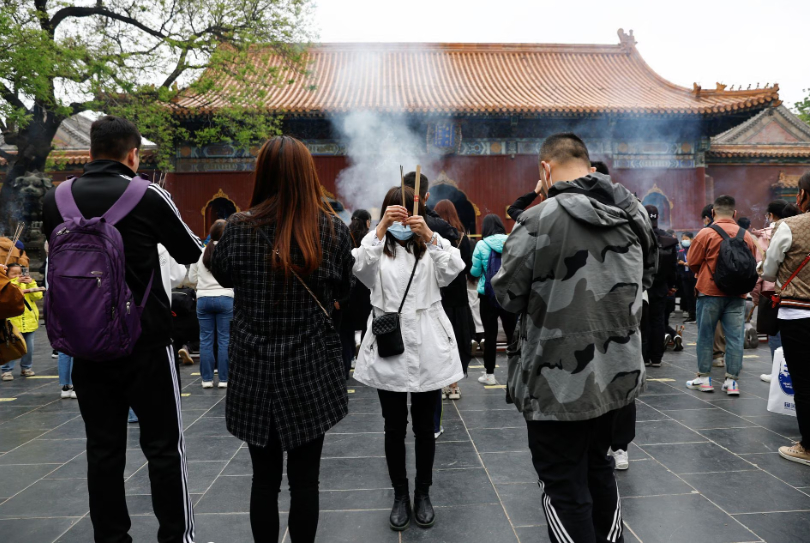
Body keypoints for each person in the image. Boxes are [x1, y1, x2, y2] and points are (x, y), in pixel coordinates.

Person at [41, 115, 203, 542]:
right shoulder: (149, 194)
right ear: (133, 154)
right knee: (164, 448)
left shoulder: (55, 199)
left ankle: (111, 538)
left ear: (91, 150)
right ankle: (174, 536)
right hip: (146, 342)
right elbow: (190, 250)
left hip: (86, 344)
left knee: (104, 449)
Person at [493, 132, 656, 542]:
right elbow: (647, 278)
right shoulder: (635, 213)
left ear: (545, 169)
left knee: (562, 483)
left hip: (557, 379)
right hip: (617, 373)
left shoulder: (539, 219)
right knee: (598, 465)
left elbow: (507, 295)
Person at [210, 136, 353, 543]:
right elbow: (343, 290)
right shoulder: (331, 230)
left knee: (264, 480)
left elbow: (222, 275)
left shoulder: (237, 228)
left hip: (253, 367)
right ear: (308, 174)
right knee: (306, 482)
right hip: (310, 371)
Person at [352, 186, 465, 532]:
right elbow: (357, 266)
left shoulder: (430, 247)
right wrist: (380, 229)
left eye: (404, 212)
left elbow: (454, 269)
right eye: (393, 211)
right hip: (391, 343)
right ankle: (400, 494)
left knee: (425, 427)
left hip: (428, 342)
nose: (401, 218)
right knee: (393, 425)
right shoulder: (377, 249)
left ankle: (423, 493)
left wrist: (429, 235)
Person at [686, 195, 757, 396]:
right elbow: (751, 263)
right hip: (738, 294)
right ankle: (732, 382)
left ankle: (704, 378)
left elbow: (692, 261)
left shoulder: (706, 233)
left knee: (705, 335)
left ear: (713, 213)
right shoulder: (746, 236)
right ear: (735, 214)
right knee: (735, 337)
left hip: (709, 292)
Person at [761, 172, 810, 466]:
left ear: (802, 195)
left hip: (798, 314)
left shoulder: (789, 226)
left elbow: (768, 271)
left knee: (804, 382)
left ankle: (808, 446)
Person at [433, 199, 474, 400]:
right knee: (458, 338)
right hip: (459, 295)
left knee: (440, 340)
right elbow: (467, 266)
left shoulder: (432, 237)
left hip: (438, 294)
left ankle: (441, 384)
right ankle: (454, 386)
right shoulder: (462, 237)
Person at [471, 214, 516, 386]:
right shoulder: (512, 240)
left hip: (488, 295)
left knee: (490, 336)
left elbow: (475, 273)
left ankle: (489, 375)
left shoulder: (481, 244)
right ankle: (515, 374)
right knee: (512, 334)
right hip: (510, 294)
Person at [189, 220, 233, 389]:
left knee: (205, 339)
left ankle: (206, 379)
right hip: (225, 298)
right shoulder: (229, 251)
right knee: (224, 340)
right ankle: (224, 379)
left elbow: (192, 279)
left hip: (203, 299)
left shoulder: (200, 253)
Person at [337, 209, 373, 379]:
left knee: (345, 331)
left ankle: (345, 366)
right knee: (368, 328)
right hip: (366, 291)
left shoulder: (343, 235)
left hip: (348, 292)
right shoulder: (370, 239)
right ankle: (365, 365)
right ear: (367, 222)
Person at [643, 205, 678, 368]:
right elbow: (673, 266)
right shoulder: (667, 239)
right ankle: (656, 357)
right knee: (658, 321)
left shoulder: (638, 236)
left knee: (642, 322)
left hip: (642, 286)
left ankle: (643, 356)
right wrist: (671, 285)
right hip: (661, 286)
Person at [0, 263, 43, 381]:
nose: (18, 276)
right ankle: (6, 370)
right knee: (11, 346)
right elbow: (8, 294)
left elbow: (38, 296)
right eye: (13, 274)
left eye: (20, 273)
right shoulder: (7, 286)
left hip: (29, 321)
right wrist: (16, 282)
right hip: (13, 322)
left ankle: (26, 367)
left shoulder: (27, 283)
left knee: (29, 348)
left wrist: (32, 283)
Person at [678, 232, 697, 323]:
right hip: (685, 277)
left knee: (696, 297)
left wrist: (685, 263)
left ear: (691, 239)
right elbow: (677, 261)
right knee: (688, 296)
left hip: (695, 277)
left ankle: (698, 315)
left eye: (686, 239)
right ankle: (691, 315)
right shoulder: (681, 252)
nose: (684, 241)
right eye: (683, 239)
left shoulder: (695, 250)